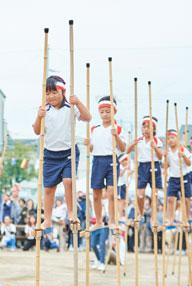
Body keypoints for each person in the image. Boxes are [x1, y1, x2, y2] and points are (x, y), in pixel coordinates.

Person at [33, 75, 92, 234]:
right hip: (50, 154)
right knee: (48, 189)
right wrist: (39, 116)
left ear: (62, 92)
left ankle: (72, 213)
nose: (51, 96)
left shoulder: (70, 108)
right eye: (48, 93)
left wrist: (78, 102)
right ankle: (47, 219)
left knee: (68, 182)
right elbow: (37, 130)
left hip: (68, 153)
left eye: (54, 92)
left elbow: (87, 117)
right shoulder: (45, 110)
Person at [87, 96, 126, 230]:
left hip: (112, 160)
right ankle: (98, 221)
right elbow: (91, 149)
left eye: (108, 111)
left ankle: (112, 221)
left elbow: (123, 148)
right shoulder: (94, 129)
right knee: (96, 193)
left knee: (111, 193)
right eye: (102, 111)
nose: (104, 114)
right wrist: (88, 145)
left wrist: (116, 136)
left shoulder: (119, 128)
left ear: (114, 111)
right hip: (97, 160)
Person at [125, 116, 164, 227]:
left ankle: (153, 217)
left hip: (154, 165)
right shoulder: (139, 139)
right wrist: (133, 144)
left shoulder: (157, 140)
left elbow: (160, 156)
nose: (146, 129)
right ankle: (141, 213)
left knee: (154, 194)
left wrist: (155, 147)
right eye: (144, 127)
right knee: (140, 194)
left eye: (149, 127)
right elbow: (127, 151)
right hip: (142, 166)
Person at [163, 129, 192, 225]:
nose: (170, 140)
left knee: (186, 199)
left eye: (172, 138)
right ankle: (170, 219)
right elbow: (165, 166)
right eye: (168, 138)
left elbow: (189, 163)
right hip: (173, 177)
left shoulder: (183, 149)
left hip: (184, 176)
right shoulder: (167, 151)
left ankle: (186, 219)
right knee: (170, 199)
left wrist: (183, 156)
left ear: (177, 139)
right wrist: (165, 157)